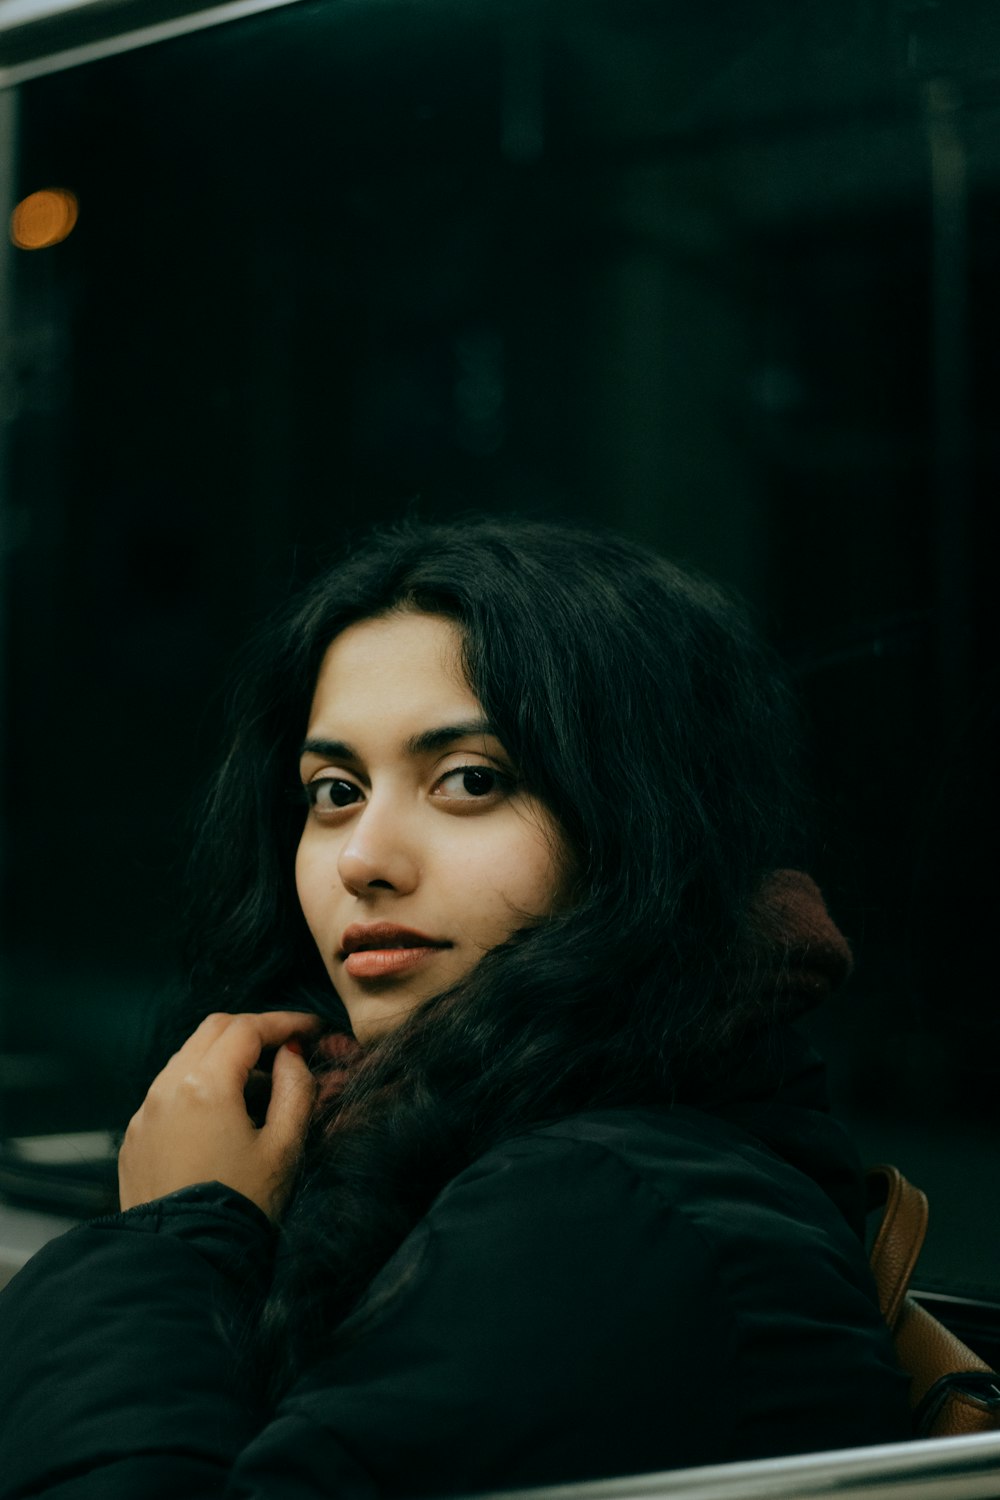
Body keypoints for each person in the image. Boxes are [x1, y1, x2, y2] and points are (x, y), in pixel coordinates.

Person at [0, 518, 911, 1499]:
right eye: (334, 790)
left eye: (470, 781)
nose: (363, 858)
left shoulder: (612, 1211)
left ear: (644, 825)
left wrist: (178, 1240)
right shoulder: (421, 1158)